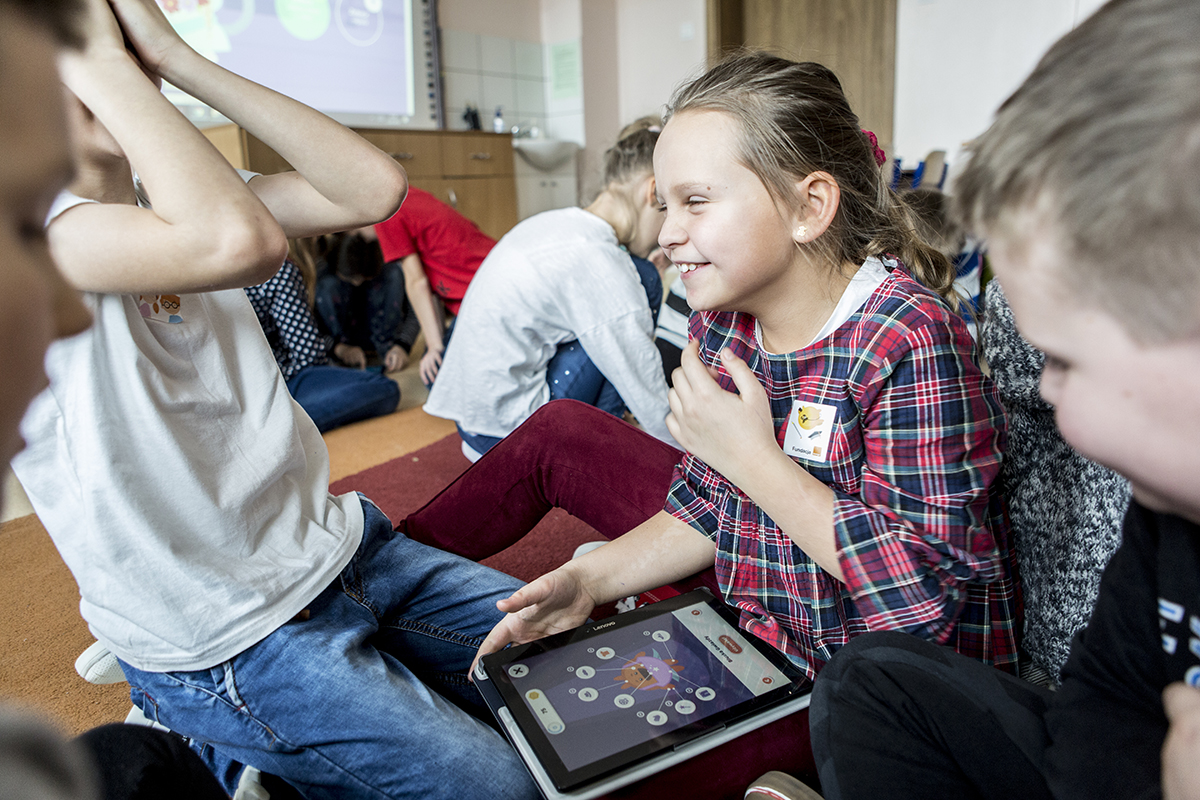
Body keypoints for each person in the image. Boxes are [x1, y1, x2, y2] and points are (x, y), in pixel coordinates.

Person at [10, 0, 537, 798]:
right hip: (229, 636)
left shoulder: (184, 194)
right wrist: (103, 62)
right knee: (503, 788)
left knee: (577, 664)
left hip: (342, 554)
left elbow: (374, 186)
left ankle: (250, 749)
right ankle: (204, 727)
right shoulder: (35, 234)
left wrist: (181, 60)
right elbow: (240, 244)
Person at [808, 1, 1200, 798]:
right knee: (869, 684)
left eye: (1061, 360)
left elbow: (918, 586)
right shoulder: (1170, 515)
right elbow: (1108, 700)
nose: (1043, 394)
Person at [424, 117, 673, 460]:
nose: (669, 231)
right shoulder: (597, 258)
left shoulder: (557, 224)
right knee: (643, 277)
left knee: (635, 280)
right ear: (652, 190)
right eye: (668, 210)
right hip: (510, 433)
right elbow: (643, 379)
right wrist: (690, 454)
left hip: (472, 420)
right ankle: (601, 447)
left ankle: (600, 432)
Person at [246, 257, 401, 432]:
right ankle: (278, 429)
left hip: (239, 393)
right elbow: (309, 354)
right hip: (278, 382)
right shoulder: (272, 271)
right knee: (386, 388)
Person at [373, 184, 497, 384]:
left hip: (486, 297)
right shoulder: (408, 195)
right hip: (494, 278)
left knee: (438, 380)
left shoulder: (384, 211)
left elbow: (417, 283)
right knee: (436, 368)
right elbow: (430, 290)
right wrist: (437, 343)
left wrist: (434, 347)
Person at [313, 228, 419, 372]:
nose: (357, 283)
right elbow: (308, 328)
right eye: (350, 280)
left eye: (364, 279)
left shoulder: (392, 271)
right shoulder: (323, 278)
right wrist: (338, 349)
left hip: (386, 352)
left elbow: (417, 311)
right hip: (337, 358)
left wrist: (403, 345)